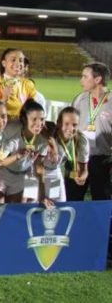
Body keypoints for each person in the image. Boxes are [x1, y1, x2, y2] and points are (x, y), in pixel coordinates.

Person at [70, 62, 111, 200]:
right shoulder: (79, 99)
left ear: (97, 79)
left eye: (85, 76)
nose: (81, 80)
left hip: (102, 160)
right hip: (78, 157)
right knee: (72, 197)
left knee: (100, 198)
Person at [0, 99, 50, 204]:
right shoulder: (14, 136)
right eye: (34, 119)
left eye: (42, 119)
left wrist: (43, 195)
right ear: (24, 120)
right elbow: (0, 161)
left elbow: (39, 167)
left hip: (23, 175)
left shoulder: (42, 140)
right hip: (3, 173)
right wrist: (17, 156)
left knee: (18, 207)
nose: (39, 123)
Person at [43, 107, 89, 203]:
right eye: (66, 124)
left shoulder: (81, 140)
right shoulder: (46, 132)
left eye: (74, 125)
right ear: (58, 123)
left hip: (54, 173)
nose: (71, 128)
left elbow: (84, 169)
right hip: (32, 173)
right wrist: (40, 195)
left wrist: (83, 177)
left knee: (56, 206)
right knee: (29, 203)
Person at [0, 48, 37, 120]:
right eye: (13, 60)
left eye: (21, 60)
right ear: (4, 63)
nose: (18, 63)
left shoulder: (28, 84)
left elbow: (32, 109)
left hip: (21, 125)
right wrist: (3, 99)